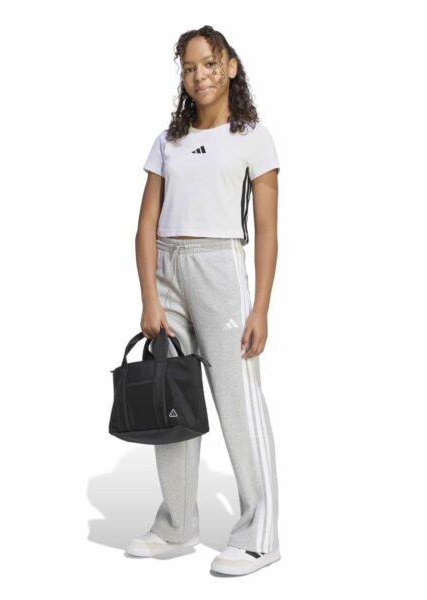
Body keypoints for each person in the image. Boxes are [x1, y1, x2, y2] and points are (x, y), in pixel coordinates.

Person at [126, 25, 281, 576]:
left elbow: (267, 230)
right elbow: (145, 225)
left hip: (220, 269)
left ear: (231, 66)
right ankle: (177, 525)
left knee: (238, 402)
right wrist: (150, 297)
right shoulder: (166, 142)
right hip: (167, 271)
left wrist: (261, 307)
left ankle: (259, 534)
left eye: (210, 64)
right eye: (189, 68)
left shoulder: (253, 138)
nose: (200, 76)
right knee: (172, 396)